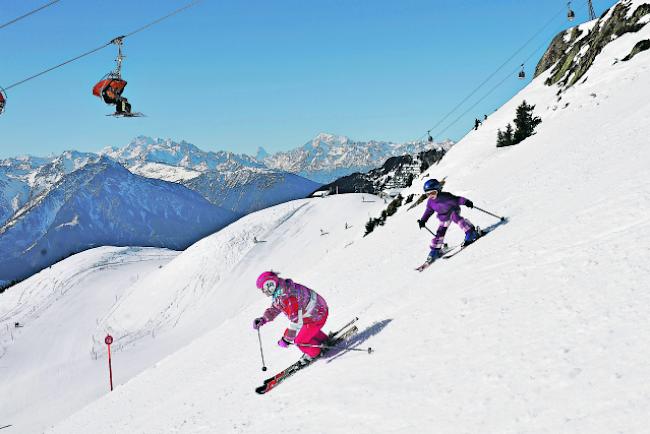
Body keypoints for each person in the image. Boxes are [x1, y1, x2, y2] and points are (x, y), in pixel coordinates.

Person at [253, 271, 329, 365]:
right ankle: (323, 340)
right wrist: (263, 319)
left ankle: (316, 352)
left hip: (316, 315)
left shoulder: (287, 297)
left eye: (264, 288)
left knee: (299, 341)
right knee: (304, 329)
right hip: (317, 310)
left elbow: (296, 321)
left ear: (270, 284)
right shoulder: (283, 289)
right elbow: (276, 307)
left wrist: (286, 339)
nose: (264, 291)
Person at [417, 179, 480, 264]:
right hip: (443, 216)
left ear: (438, 190)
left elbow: (457, 199)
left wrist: (466, 202)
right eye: (428, 194)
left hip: (453, 211)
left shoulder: (446, 196)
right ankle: (435, 250)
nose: (431, 196)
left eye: (433, 193)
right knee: (440, 232)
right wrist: (423, 220)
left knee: (456, 218)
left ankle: (470, 232)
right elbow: (428, 211)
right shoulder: (430, 202)